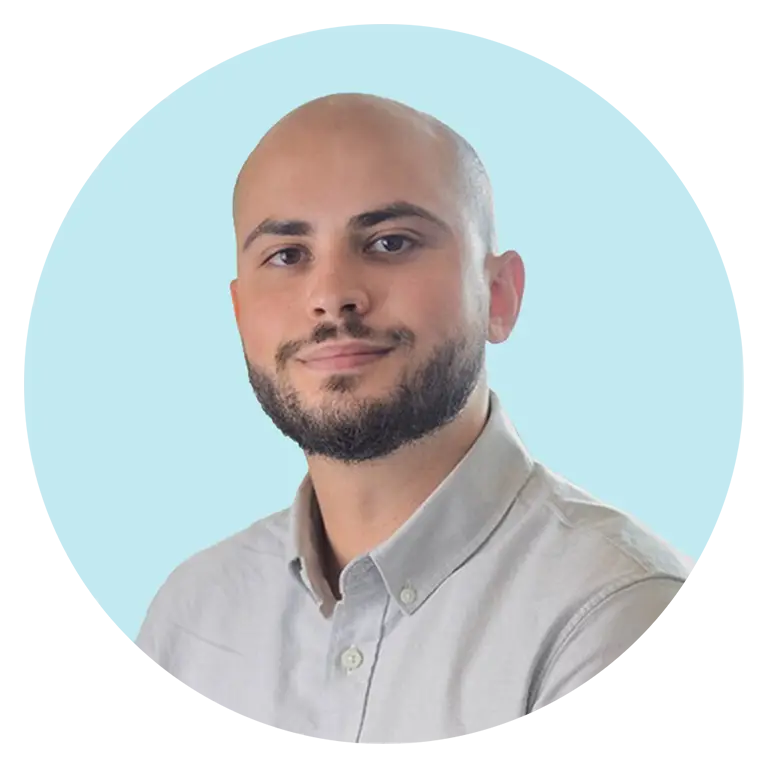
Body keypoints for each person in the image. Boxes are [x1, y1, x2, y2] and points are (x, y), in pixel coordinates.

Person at [134, 92, 688, 743]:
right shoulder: (191, 618)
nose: (332, 293)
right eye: (287, 255)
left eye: (390, 242)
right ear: (239, 315)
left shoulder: (622, 622)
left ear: (500, 298)